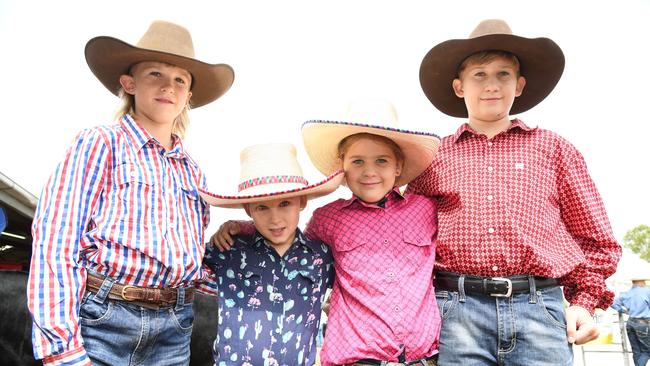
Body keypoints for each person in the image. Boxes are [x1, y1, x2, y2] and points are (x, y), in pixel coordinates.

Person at [411, 19, 622, 365]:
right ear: (459, 86)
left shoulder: (554, 150)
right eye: (479, 74)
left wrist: (584, 301)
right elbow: (408, 244)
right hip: (457, 313)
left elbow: (595, 238)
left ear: (520, 85)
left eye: (503, 74)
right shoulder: (432, 158)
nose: (491, 85)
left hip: (539, 309)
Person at [27, 20, 234, 366]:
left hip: (175, 324)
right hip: (105, 320)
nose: (169, 86)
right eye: (155, 73)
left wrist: (238, 243)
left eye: (180, 80)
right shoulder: (100, 143)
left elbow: (192, 265)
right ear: (129, 83)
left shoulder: (192, 172)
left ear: (188, 97)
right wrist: (62, 347)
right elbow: (57, 238)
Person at [213, 101, 442, 365]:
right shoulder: (328, 218)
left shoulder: (425, 210)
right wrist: (244, 226)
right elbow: (290, 240)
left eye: (382, 161)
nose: (369, 171)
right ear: (342, 168)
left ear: (398, 167)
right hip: (359, 360)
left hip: (424, 359)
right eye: (358, 161)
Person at [198, 143, 343, 365]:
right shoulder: (228, 250)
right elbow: (182, 268)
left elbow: (354, 290)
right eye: (262, 207)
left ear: (301, 202)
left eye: (285, 204)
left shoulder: (321, 258)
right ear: (248, 209)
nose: (275, 219)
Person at [612, 276, 650, 366]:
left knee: (636, 351)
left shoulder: (626, 293)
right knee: (647, 350)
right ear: (641, 282)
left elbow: (612, 303)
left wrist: (623, 310)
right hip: (644, 323)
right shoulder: (647, 291)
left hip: (631, 322)